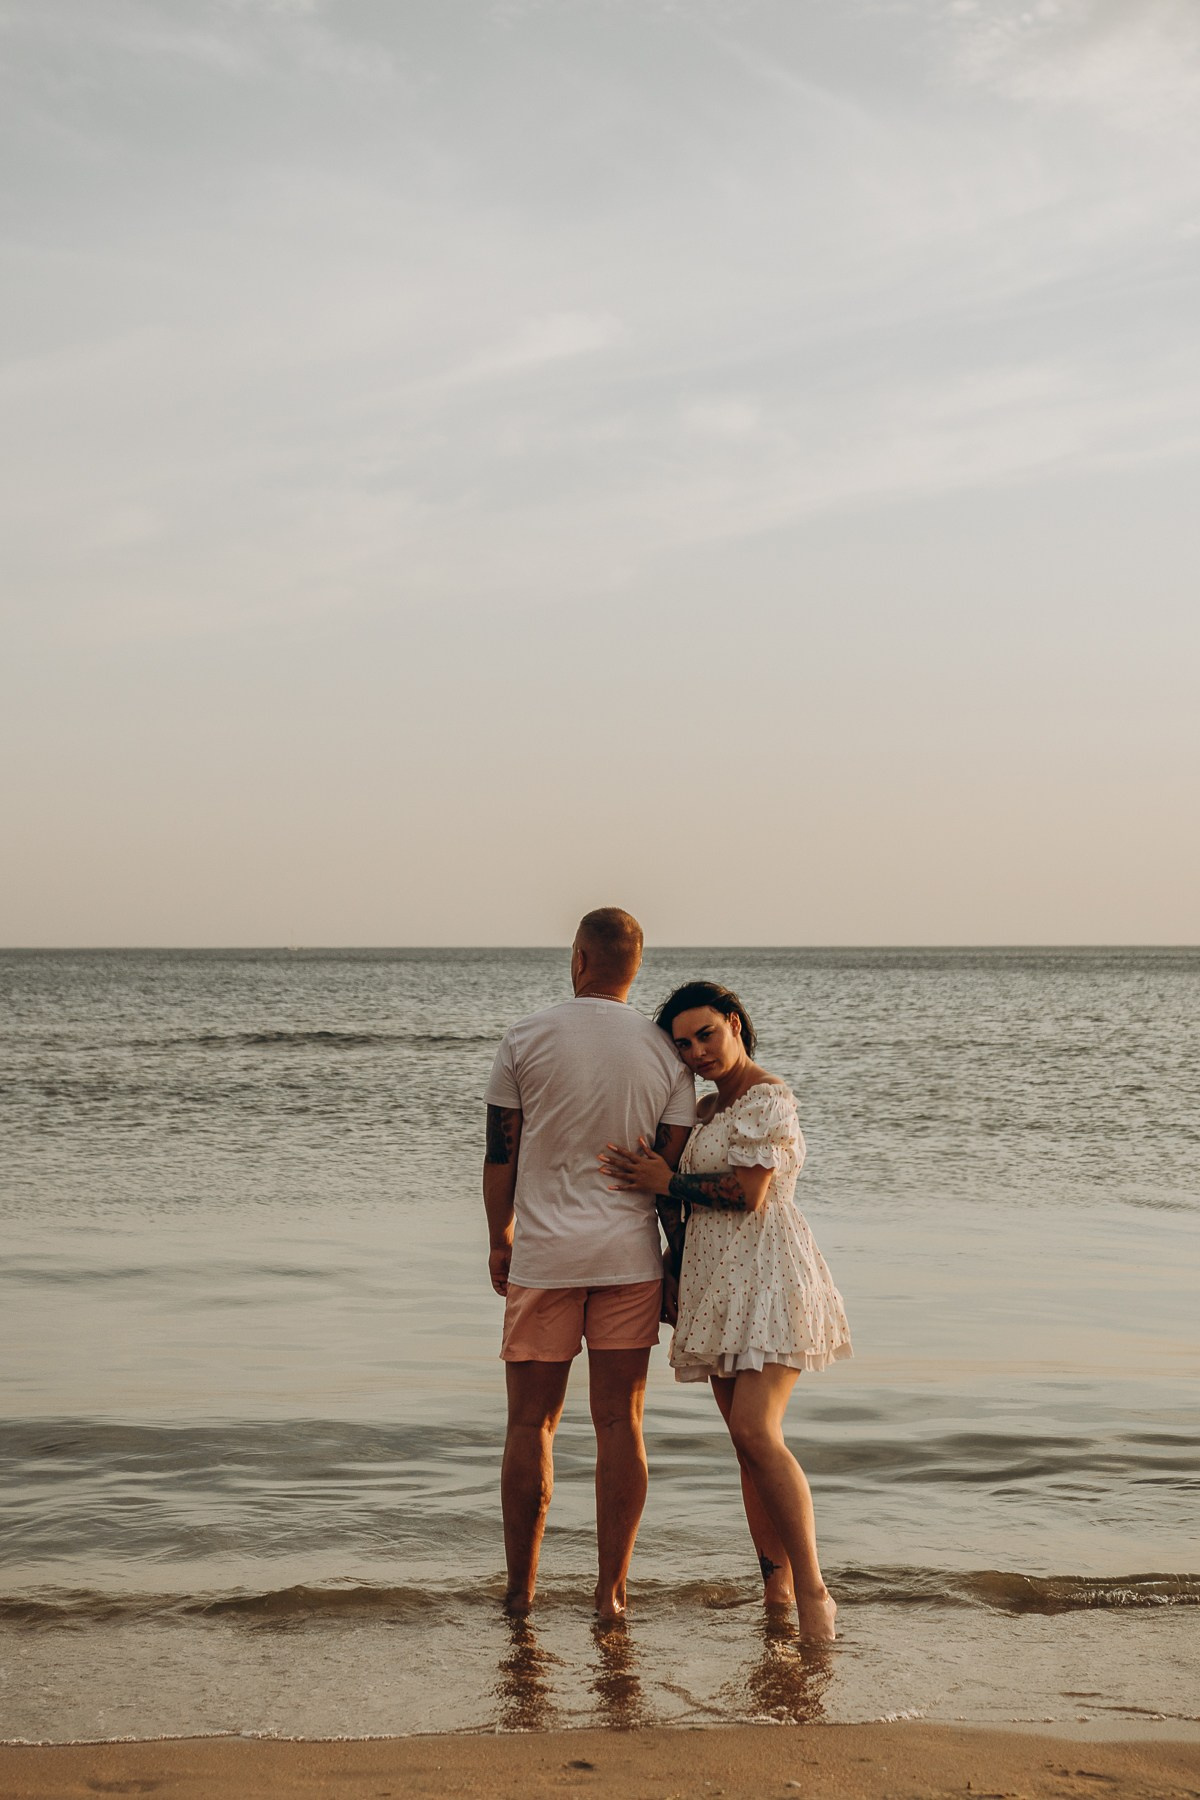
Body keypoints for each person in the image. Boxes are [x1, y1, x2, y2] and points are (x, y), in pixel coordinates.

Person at [599, 980, 851, 1642]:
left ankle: (816, 1596)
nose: (697, 1050)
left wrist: (667, 1179)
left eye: (706, 1033)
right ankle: (776, 1595)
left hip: (770, 1275)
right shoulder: (706, 1108)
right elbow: (678, 1207)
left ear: (735, 1024)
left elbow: (749, 1193)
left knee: (756, 1433)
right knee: (746, 1450)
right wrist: (675, 1272)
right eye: (683, 1043)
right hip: (715, 1284)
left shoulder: (769, 1098)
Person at [483, 908, 696, 1624]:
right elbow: (670, 1169)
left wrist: (499, 1237)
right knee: (620, 1425)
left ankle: (521, 1594)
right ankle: (610, 1595)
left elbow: (499, 1155)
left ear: (578, 956)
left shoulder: (525, 1036)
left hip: (544, 1256)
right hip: (629, 1258)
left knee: (530, 1427)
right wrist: (672, 1262)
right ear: (636, 965)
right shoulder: (665, 1052)